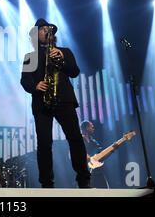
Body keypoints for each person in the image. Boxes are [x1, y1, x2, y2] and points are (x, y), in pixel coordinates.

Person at [20, 18, 91, 188]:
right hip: (41, 102)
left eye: (48, 29)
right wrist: (35, 86)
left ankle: (83, 179)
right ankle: (46, 183)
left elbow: (74, 72)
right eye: (43, 29)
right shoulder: (30, 57)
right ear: (37, 35)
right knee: (44, 144)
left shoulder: (64, 51)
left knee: (75, 139)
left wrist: (63, 60)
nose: (46, 31)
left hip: (64, 100)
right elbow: (24, 81)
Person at [80, 120, 109, 188]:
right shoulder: (78, 140)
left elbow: (100, 153)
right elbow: (72, 154)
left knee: (105, 189)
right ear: (86, 128)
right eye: (92, 127)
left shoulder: (93, 141)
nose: (93, 128)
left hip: (96, 170)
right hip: (84, 171)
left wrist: (112, 150)